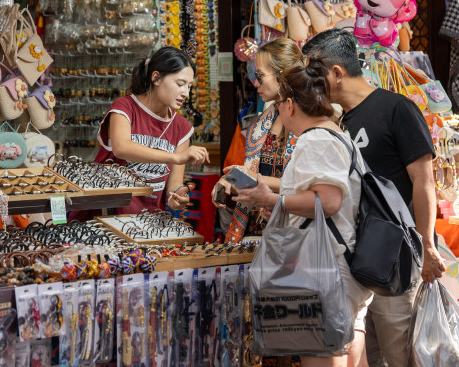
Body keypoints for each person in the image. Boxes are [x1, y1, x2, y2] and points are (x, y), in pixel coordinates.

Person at [302, 29, 446, 367]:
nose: (312, 83)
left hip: (398, 261)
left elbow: (424, 182)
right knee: (369, 357)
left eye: (315, 73)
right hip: (356, 264)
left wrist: (426, 244)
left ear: (336, 72)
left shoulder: (397, 109)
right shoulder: (339, 123)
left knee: (401, 356)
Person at [234, 61, 373, 367]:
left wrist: (274, 200)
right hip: (338, 261)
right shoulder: (334, 133)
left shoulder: (316, 139)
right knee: (344, 348)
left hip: (326, 264)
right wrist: (281, 205)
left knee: (323, 354)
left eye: (279, 104)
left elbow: (329, 201)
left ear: (289, 105)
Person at [95, 46, 209, 213]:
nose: (186, 93)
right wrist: (176, 157)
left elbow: (173, 184)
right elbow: (121, 148)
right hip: (108, 216)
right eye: (180, 84)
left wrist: (176, 196)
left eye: (189, 86)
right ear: (156, 78)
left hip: (148, 222)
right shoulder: (125, 108)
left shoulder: (182, 127)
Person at [212, 38, 302, 243]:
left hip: (290, 233)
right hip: (255, 231)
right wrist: (230, 182)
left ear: (282, 76)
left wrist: (249, 176)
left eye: (260, 75)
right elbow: (258, 173)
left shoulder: (306, 123)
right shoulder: (264, 121)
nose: (255, 82)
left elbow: (307, 186)